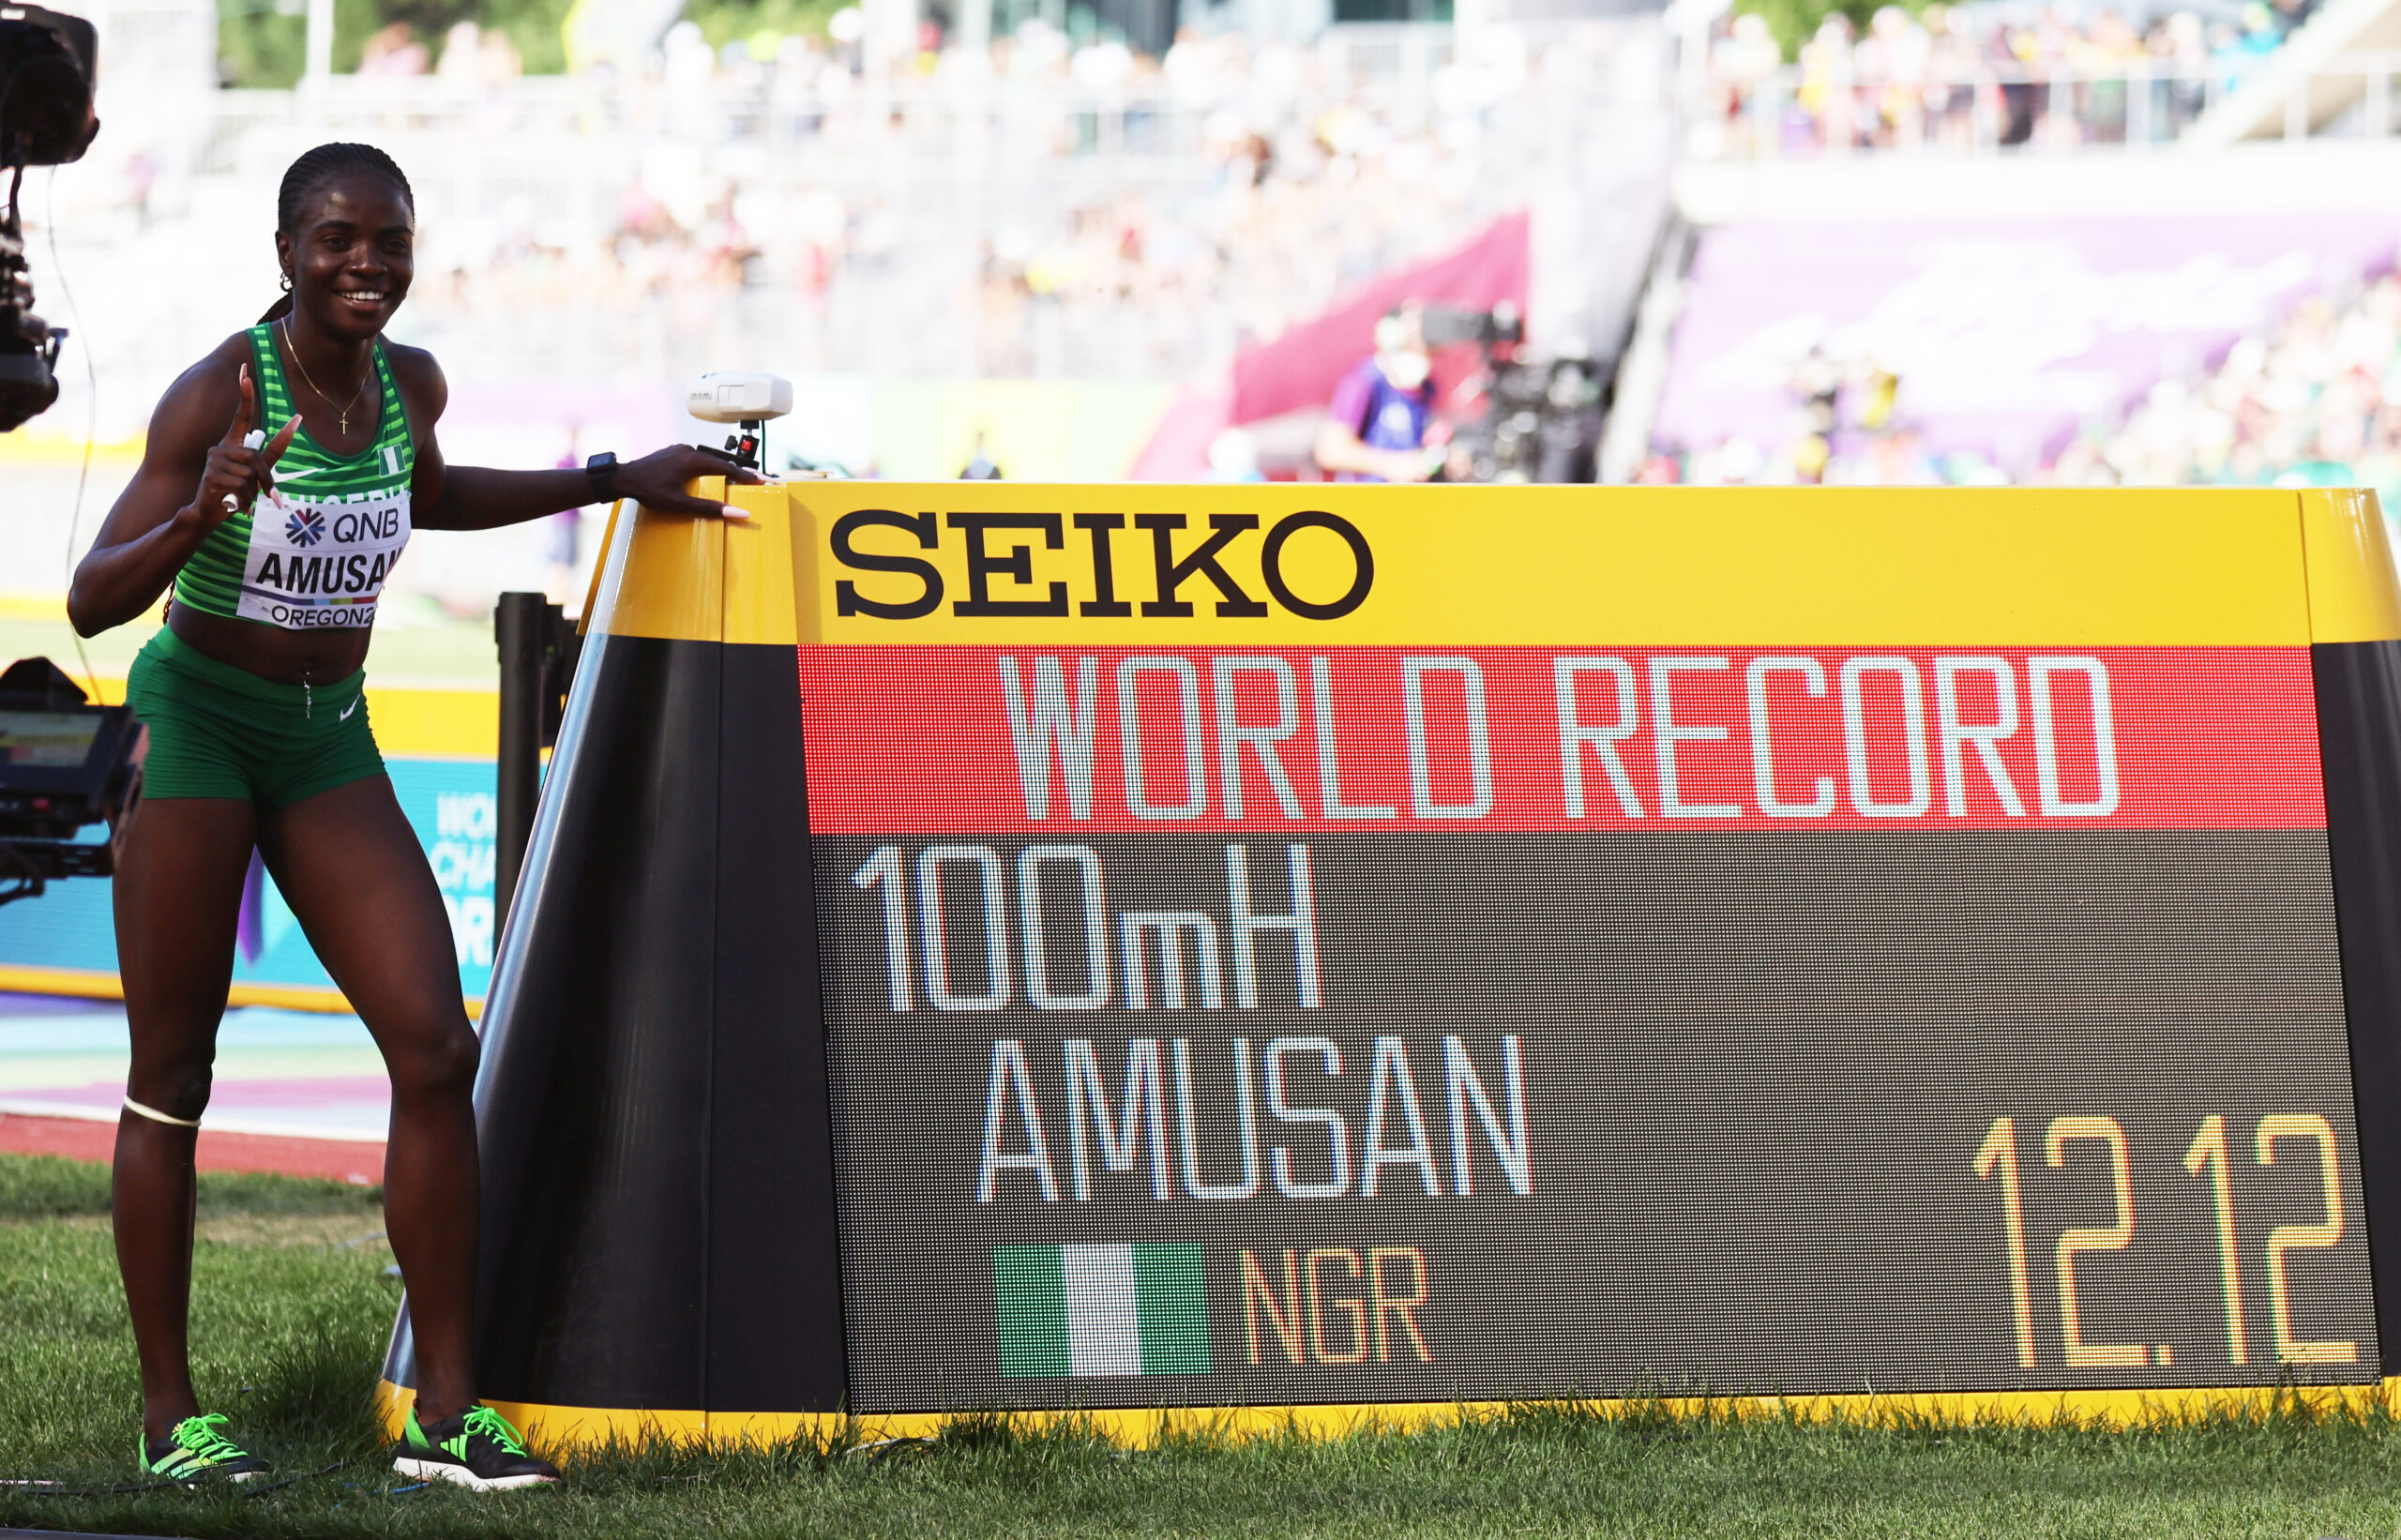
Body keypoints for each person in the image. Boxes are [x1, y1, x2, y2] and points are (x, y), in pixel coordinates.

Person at [66, 143, 754, 1493]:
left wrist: (615, 479)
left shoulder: (407, 385)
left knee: (436, 1047)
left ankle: (449, 1409)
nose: (366, 263)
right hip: (201, 721)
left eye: (389, 239)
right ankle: (170, 1419)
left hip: (329, 735)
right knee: (175, 1076)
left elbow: (435, 498)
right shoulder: (219, 390)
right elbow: (92, 595)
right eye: (337, 240)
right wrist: (202, 507)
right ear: (286, 252)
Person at [1314, 301, 1441, 482]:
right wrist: (1391, 465)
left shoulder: (1426, 387)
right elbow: (1330, 450)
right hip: (1367, 502)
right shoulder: (1364, 381)